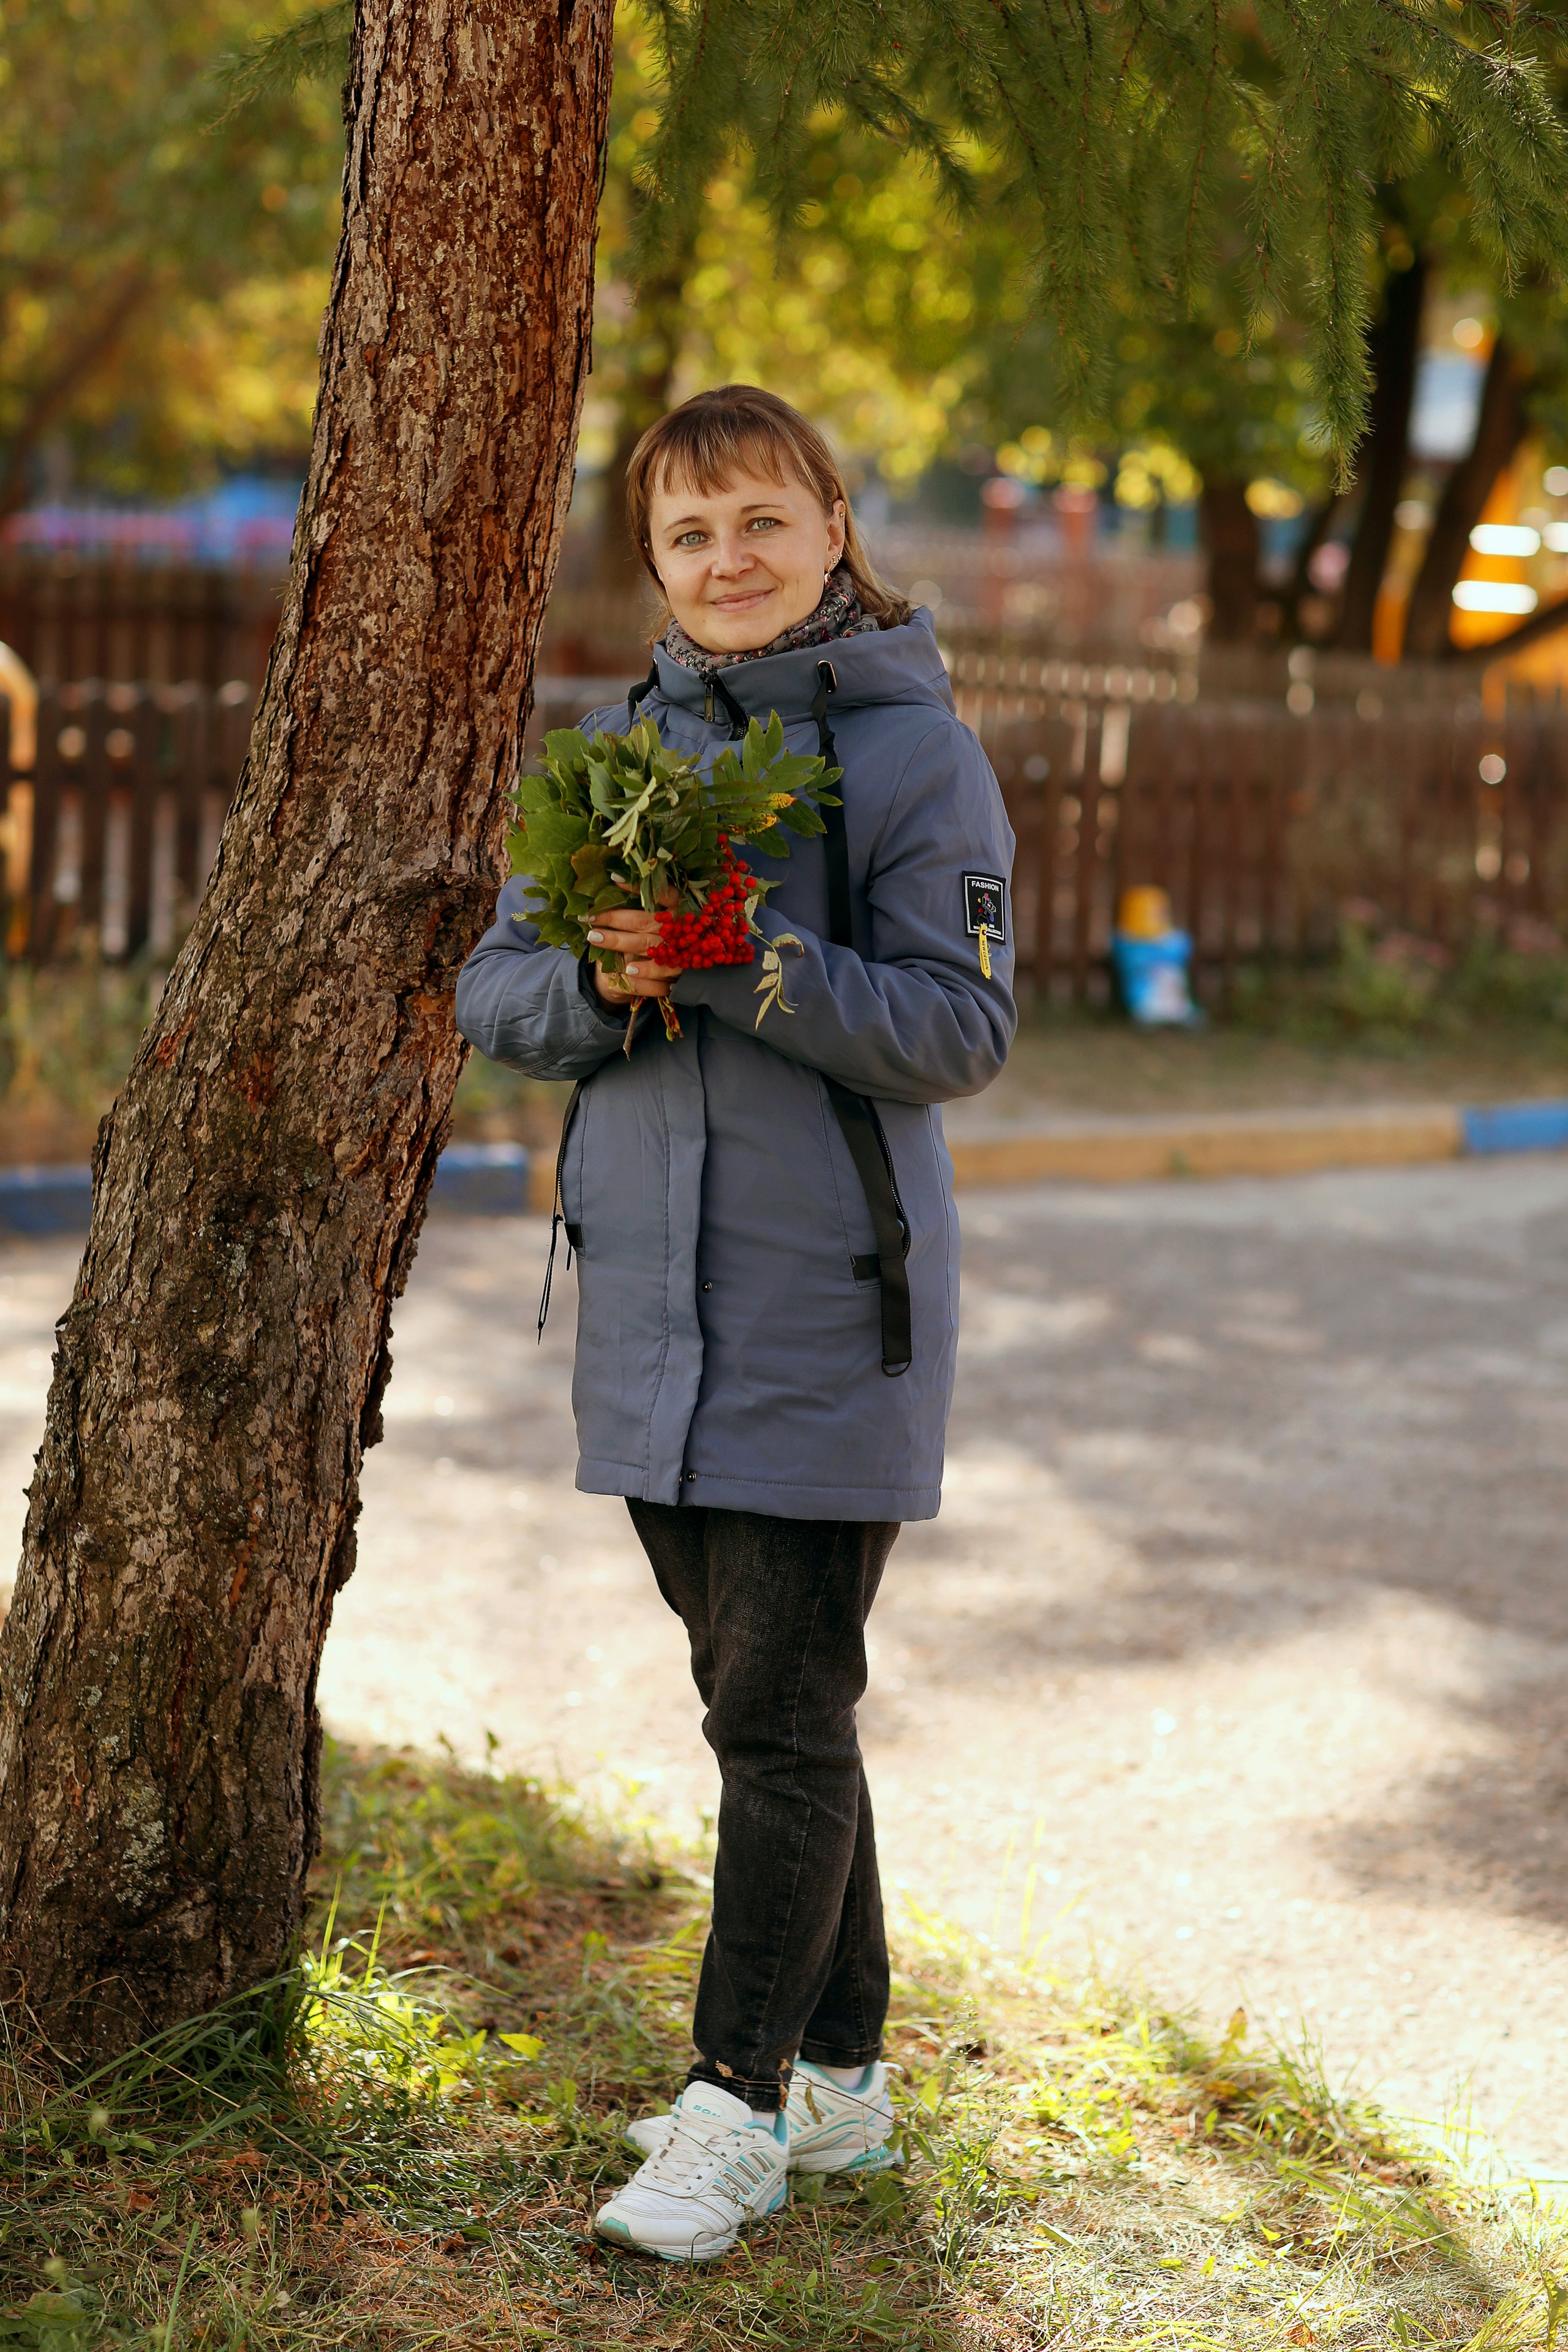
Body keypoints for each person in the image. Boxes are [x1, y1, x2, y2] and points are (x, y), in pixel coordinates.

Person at [454, 384, 1016, 2262]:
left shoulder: (916, 753)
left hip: (825, 1307)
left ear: (835, 528)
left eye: (763, 519)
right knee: (770, 1704)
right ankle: (842, 2079)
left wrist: (746, 961)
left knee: (777, 1715)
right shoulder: (616, 749)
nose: (729, 559)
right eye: (690, 534)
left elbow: (962, 1027)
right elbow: (496, 989)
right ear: (657, 564)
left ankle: (735, 2104)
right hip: (647, 1308)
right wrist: (608, 981)